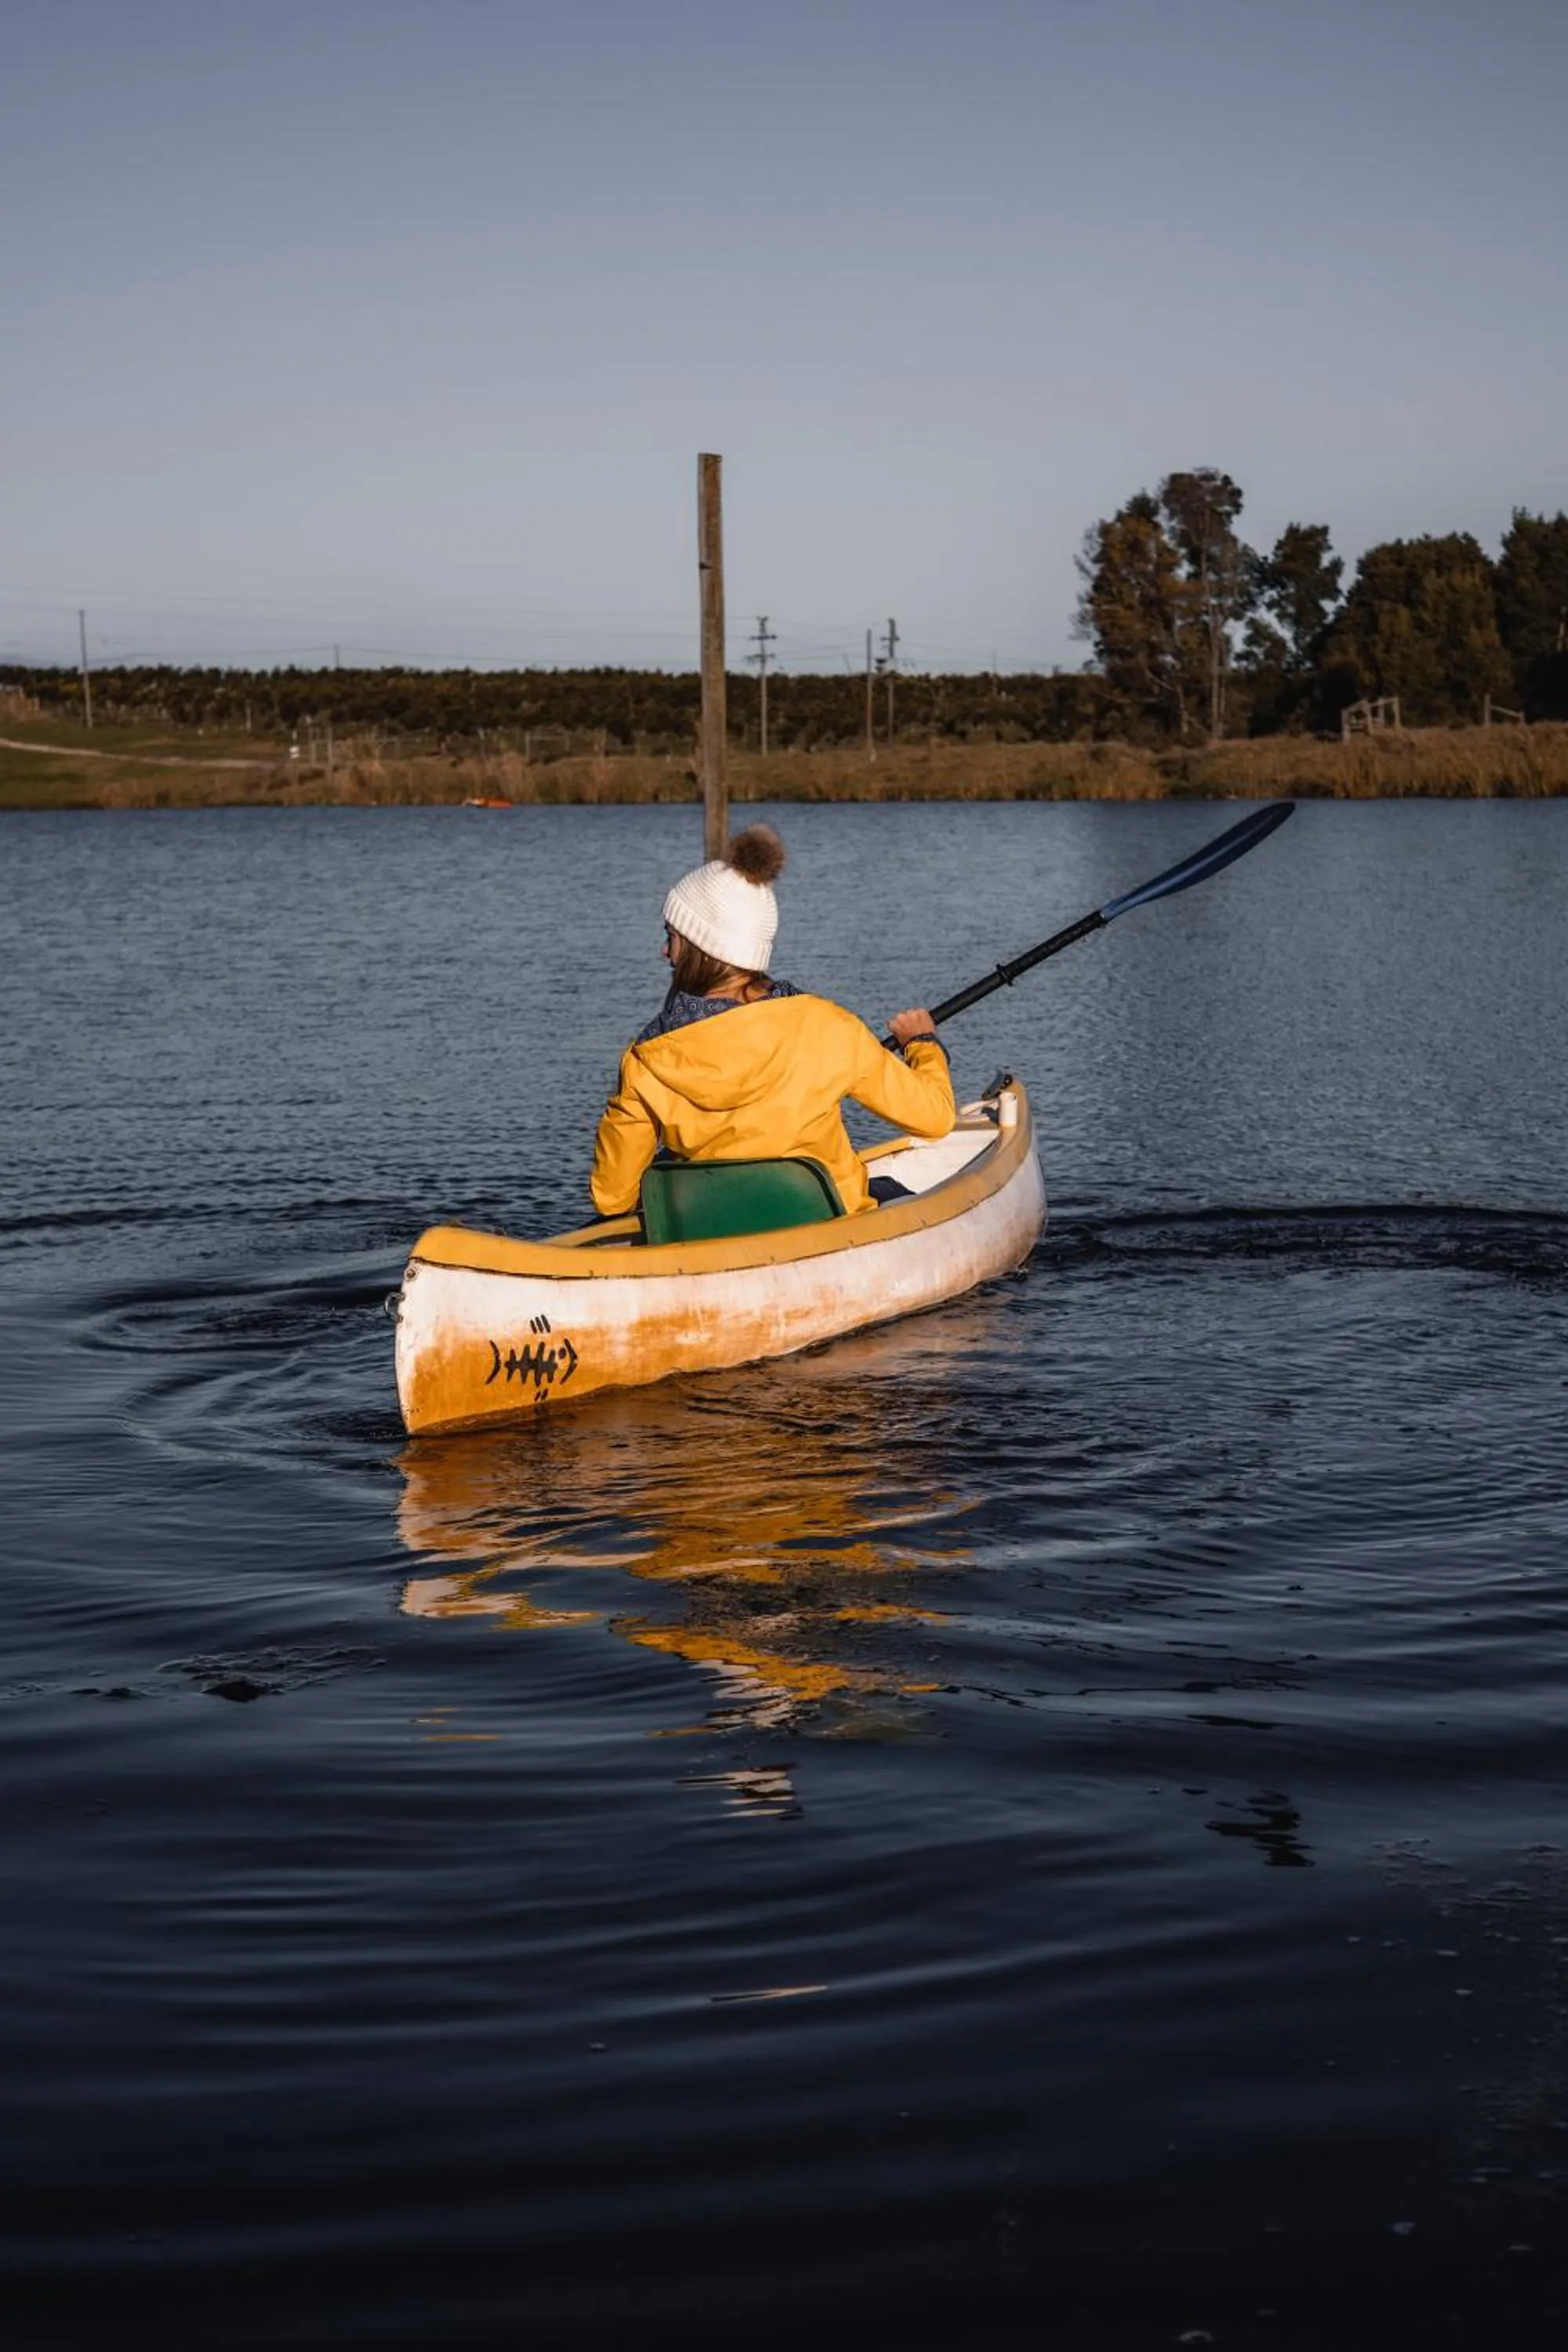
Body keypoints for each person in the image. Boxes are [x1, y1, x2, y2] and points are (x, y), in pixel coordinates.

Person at [590, 823, 954, 1220]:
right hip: (827, 1225)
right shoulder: (827, 1027)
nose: (664, 951)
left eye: (671, 936)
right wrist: (922, 1044)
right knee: (892, 1190)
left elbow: (612, 1198)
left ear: (700, 948)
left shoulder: (646, 1058)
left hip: (710, 1228)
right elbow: (934, 1118)